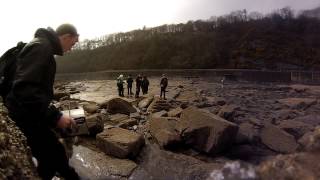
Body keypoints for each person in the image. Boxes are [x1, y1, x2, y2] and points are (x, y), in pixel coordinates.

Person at [5, 24, 80, 180]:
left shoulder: (42, 46)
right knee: (56, 155)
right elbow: (24, 89)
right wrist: (56, 117)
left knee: (53, 158)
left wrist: (52, 113)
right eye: (72, 44)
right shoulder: (41, 48)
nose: (71, 49)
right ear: (66, 37)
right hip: (24, 116)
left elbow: (31, 89)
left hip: (26, 113)